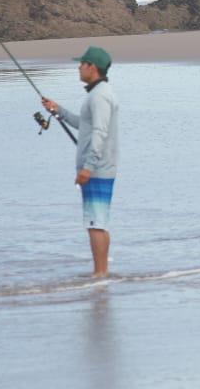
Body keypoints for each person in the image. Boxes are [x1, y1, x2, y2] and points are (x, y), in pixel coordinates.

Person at [41, 46, 120, 277]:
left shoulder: (100, 96)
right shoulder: (98, 93)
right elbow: (85, 125)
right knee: (99, 221)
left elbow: (99, 132)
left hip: (97, 168)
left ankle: (100, 274)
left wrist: (88, 167)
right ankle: (102, 273)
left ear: (91, 67)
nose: (78, 67)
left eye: (81, 63)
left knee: (95, 223)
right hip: (100, 166)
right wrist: (59, 111)